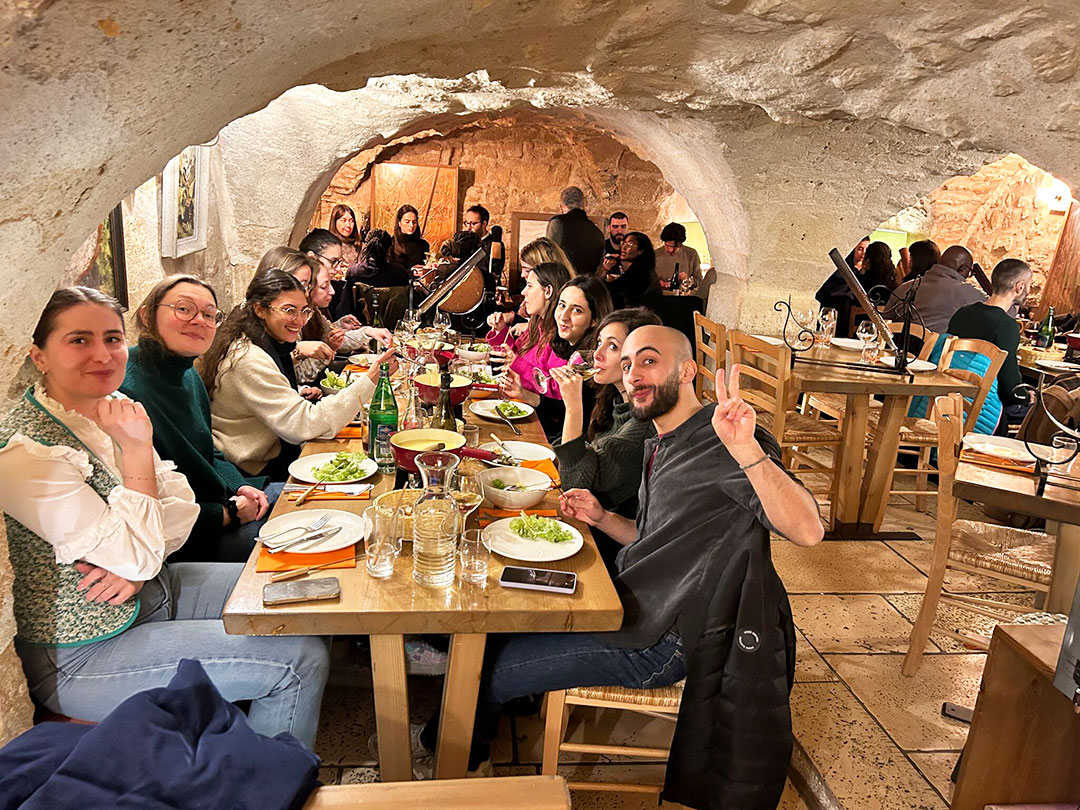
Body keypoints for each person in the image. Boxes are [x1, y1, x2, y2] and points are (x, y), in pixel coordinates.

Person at [425, 326, 823, 804]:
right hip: (627, 604)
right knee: (494, 623)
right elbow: (653, 536)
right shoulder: (661, 440)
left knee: (483, 673)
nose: (634, 374)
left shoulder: (725, 442)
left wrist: (747, 450)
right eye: (629, 364)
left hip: (661, 641)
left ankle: (455, 767)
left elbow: (808, 530)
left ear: (688, 370)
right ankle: (468, 745)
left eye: (649, 361)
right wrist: (603, 517)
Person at [0, 286, 329, 748]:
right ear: (39, 356)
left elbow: (179, 511)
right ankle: (266, 774)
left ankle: (240, 745)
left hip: (153, 590)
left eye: (112, 339)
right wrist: (136, 453)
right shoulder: (24, 451)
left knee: (311, 597)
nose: (102, 354)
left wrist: (138, 559)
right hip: (84, 652)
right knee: (298, 659)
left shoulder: (110, 408)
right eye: (79, 340)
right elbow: (138, 550)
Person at [120, 275, 281, 562]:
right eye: (184, 309)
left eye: (209, 315)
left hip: (222, 502)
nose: (199, 321)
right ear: (147, 315)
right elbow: (149, 508)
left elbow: (209, 452)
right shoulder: (127, 390)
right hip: (189, 537)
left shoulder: (188, 374)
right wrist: (228, 513)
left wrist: (239, 486)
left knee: (310, 499)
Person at [200, 270, 392, 480]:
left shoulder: (264, 342)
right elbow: (306, 424)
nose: (299, 321)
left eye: (304, 311)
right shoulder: (248, 358)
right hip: (252, 475)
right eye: (289, 310)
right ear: (260, 310)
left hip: (273, 456)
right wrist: (372, 379)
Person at [550, 307, 662, 567]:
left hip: (609, 553)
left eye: (612, 347)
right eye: (599, 342)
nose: (597, 354)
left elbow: (575, 483)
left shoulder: (643, 427)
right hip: (591, 528)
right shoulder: (616, 402)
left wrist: (573, 408)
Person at [500, 275, 613, 441]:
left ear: (595, 320)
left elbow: (577, 420)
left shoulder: (594, 360)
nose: (563, 316)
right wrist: (524, 394)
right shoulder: (565, 347)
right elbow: (561, 407)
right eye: (562, 305)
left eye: (577, 310)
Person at [947, 259, 1035, 430]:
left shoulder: (962, 313)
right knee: (1041, 410)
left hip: (950, 397)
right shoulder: (1006, 326)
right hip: (983, 409)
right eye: (1029, 285)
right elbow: (1010, 389)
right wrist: (1028, 396)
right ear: (1020, 286)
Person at [889, 244, 988, 333]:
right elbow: (995, 311)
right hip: (938, 347)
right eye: (969, 273)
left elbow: (885, 321)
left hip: (897, 346)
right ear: (963, 269)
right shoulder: (968, 292)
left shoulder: (904, 288)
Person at [815, 236, 870, 334]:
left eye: (866, 249)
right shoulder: (840, 270)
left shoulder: (867, 273)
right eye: (860, 249)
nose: (863, 253)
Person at [546, 186, 605, 276]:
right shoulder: (597, 232)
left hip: (564, 281)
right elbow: (599, 268)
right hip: (587, 282)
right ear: (583, 205)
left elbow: (548, 258)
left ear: (561, 207)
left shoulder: (557, 223)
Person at [603, 231, 661, 309]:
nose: (624, 248)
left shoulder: (639, 271)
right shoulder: (644, 268)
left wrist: (604, 270)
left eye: (630, 245)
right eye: (624, 243)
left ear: (640, 251)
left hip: (636, 313)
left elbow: (610, 289)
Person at [463, 203, 505, 301]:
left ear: (484, 224)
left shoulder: (495, 245)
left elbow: (494, 272)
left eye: (473, 224)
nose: (469, 228)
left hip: (485, 291)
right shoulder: (465, 242)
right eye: (467, 223)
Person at [654, 222, 702, 290]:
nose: (670, 250)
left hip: (682, 295)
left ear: (681, 243)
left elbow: (699, 282)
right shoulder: (655, 255)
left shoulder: (691, 254)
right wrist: (657, 282)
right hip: (659, 294)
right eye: (667, 245)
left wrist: (687, 280)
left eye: (675, 247)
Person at [389, 204, 430, 280]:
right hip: (397, 285)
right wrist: (411, 272)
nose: (411, 225)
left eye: (414, 222)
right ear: (399, 223)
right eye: (407, 222)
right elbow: (389, 272)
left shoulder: (424, 245)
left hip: (419, 284)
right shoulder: (390, 244)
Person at [328, 203, 363, 268]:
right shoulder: (327, 246)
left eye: (351, 221)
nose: (348, 225)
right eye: (343, 221)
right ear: (335, 222)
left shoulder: (360, 246)